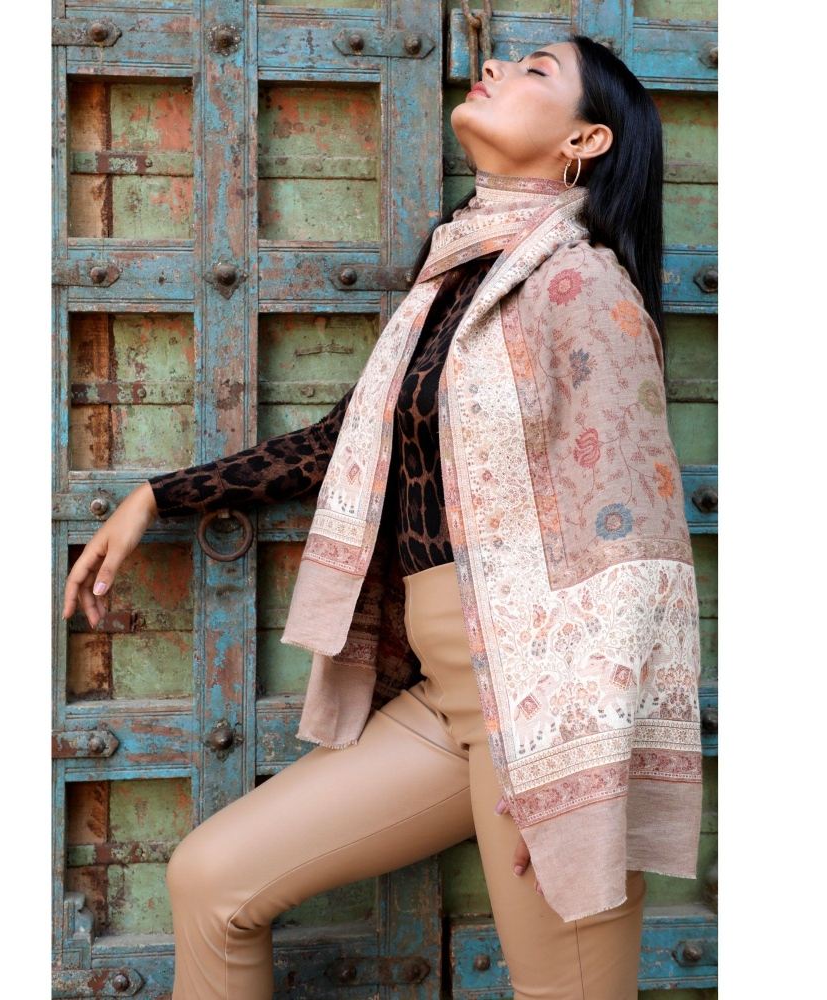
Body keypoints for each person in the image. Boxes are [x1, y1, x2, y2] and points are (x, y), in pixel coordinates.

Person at [62, 35, 688, 1000]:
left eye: (535, 71)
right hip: (448, 700)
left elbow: (635, 547)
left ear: (586, 141)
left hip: (546, 719)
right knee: (211, 880)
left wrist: (581, 775)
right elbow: (349, 440)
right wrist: (160, 495)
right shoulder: (455, 278)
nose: (496, 69)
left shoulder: (581, 285)